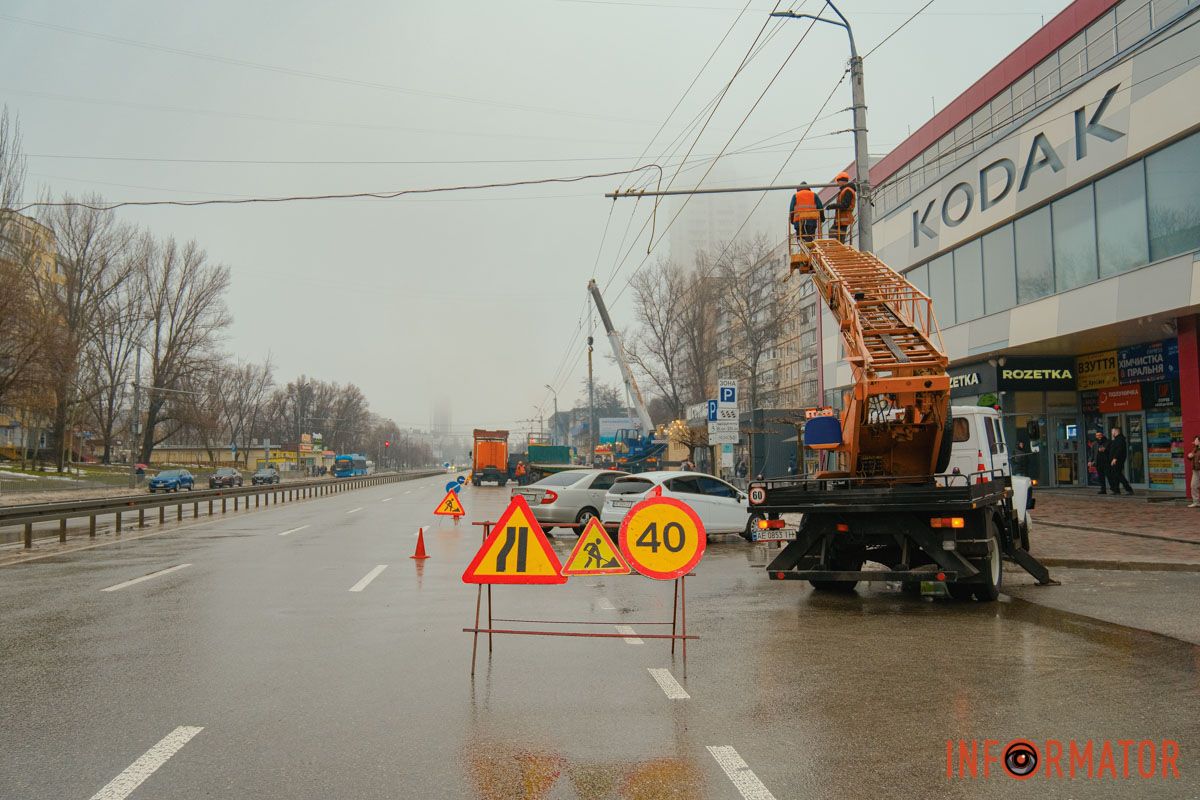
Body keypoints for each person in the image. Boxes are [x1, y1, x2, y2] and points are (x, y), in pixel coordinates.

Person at [826, 171, 857, 243]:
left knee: (836, 234)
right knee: (835, 233)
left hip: (844, 218)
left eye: (838, 181)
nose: (837, 184)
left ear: (842, 181)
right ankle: (838, 246)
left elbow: (845, 205)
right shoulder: (845, 190)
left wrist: (832, 206)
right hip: (841, 219)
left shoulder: (847, 190)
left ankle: (838, 247)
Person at [1108, 426, 1134, 495]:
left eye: (1112, 431)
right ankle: (1116, 490)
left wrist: (1115, 458)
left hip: (1117, 460)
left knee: (1118, 474)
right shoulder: (1116, 439)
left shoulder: (1120, 439)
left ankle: (1128, 489)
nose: (1112, 433)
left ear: (1116, 431)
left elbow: (1119, 450)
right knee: (1115, 474)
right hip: (1114, 460)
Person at [1089, 430, 1109, 494]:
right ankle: (1103, 489)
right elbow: (1092, 453)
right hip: (1098, 462)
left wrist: (1105, 449)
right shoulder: (1094, 443)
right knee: (1101, 477)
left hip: (1106, 462)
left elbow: (1109, 450)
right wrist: (1090, 461)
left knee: (1109, 475)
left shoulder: (1107, 442)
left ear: (1102, 435)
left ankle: (1115, 489)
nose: (1098, 437)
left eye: (1100, 435)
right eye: (1097, 435)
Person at [1187, 435, 1200, 508]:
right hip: (1195, 470)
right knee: (1193, 485)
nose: (1194, 441)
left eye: (1196, 440)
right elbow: (1191, 457)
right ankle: (1196, 502)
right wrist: (1189, 456)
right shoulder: (1195, 449)